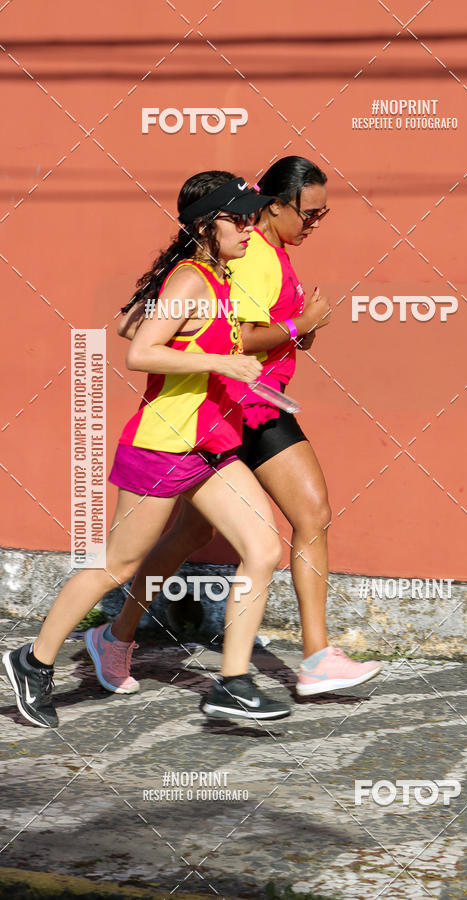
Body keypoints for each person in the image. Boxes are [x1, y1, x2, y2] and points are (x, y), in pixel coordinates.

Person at [3, 170, 292, 727]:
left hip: (210, 442)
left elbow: (133, 325)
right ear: (209, 224)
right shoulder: (192, 279)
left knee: (263, 548)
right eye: (241, 218)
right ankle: (33, 661)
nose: (252, 229)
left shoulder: (212, 275)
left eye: (255, 218)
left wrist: (234, 374)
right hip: (164, 444)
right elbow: (141, 353)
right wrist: (219, 362)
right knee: (118, 565)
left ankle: (232, 684)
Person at [92, 156, 381, 698]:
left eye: (323, 214)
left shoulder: (272, 253)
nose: (315, 223)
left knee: (257, 521)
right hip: (230, 408)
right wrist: (300, 324)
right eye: (308, 213)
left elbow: (258, 331)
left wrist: (297, 331)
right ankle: (124, 636)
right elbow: (227, 338)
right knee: (210, 529)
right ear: (274, 205)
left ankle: (311, 655)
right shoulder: (253, 257)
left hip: (261, 404)